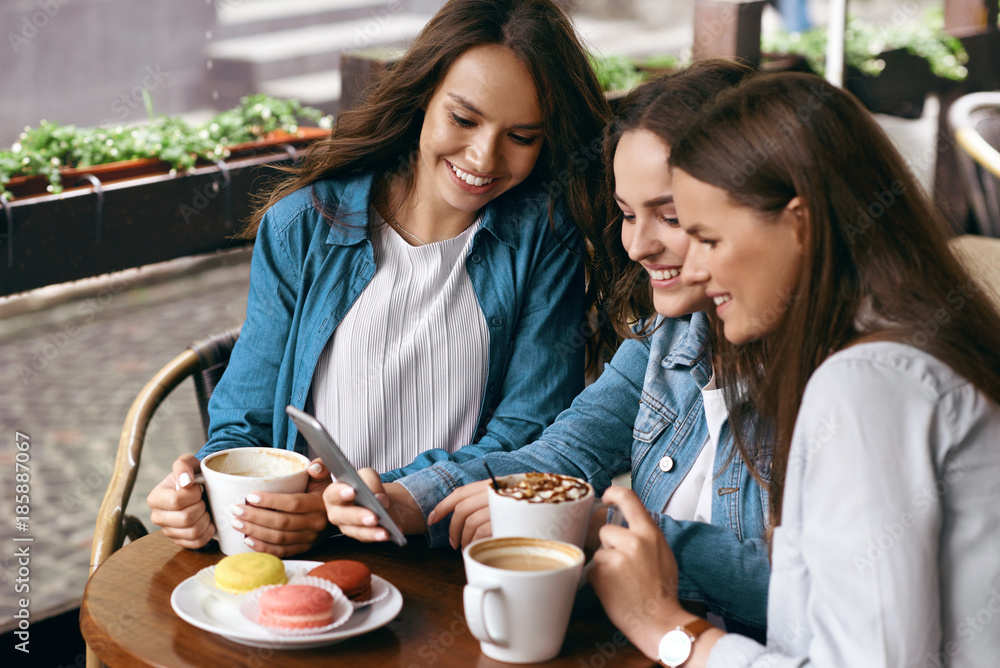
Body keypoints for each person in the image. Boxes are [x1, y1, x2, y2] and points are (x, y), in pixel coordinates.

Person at [146, 0, 615, 558]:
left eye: (521, 136)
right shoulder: (303, 225)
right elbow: (242, 426)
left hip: (454, 563)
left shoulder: (544, 240)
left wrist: (358, 502)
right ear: (422, 100)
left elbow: (527, 436)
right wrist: (203, 493)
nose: (484, 157)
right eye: (463, 120)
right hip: (303, 560)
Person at [323, 60, 772, 637]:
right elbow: (561, 456)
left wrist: (601, 528)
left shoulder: (845, 379)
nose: (636, 245)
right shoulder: (673, 339)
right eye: (627, 215)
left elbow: (819, 587)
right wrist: (409, 500)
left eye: (672, 217)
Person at [590, 71, 1000, 666]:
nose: (695, 269)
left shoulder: (866, 384)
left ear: (800, 224)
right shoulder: (899, 351)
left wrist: (668, 629)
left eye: (705, 236)